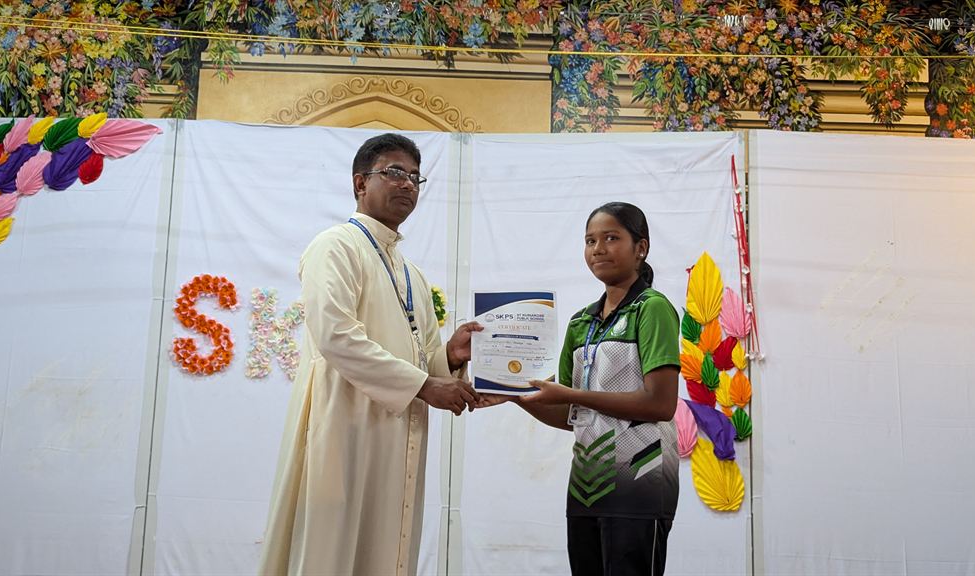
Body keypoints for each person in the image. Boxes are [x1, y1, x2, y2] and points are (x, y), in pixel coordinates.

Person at [259, 133, 486, 576]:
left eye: (415, 177)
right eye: (394, 172)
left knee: (387, 546)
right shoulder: (336, 246)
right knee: (331, 550)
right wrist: (424, 385)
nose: (407, 185)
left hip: (398, 434)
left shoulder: (412, 273)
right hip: (344, 426)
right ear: (360, 183)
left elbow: (423, 356)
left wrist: (450, 357)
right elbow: (336, 335)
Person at [517, 202, 681, 576]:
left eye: (611, 238)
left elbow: (660, 404)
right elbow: (568, 415)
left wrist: (570, 395)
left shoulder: (651, 308)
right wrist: (511, 394)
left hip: (640, 480)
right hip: (586, 484)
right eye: (590, 240)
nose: (598, 249)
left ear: (641, 248)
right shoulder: (581, 322)